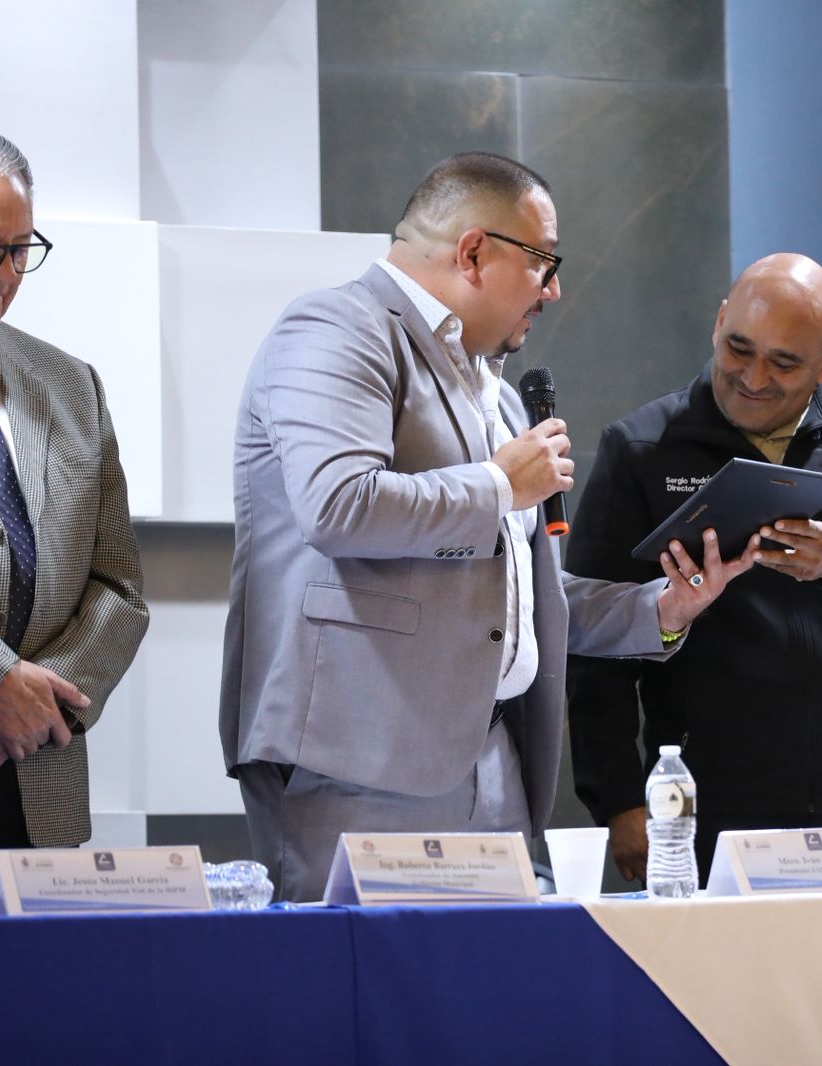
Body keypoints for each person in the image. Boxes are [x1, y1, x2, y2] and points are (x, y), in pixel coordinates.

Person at [220, 152, 749, 902]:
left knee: (492, 981)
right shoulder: (335, 327)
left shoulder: (494, 393)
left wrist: (660, 609)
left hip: (497, 763)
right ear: (473, 252)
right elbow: (337, 505)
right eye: (544, 262)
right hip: (359, 765)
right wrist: (501, 485)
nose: (554, 289)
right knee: (358, 979)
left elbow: (516, 595)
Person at [565, 253, 822, 890]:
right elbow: (593, 642)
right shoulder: (643, 446)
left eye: (784, 363)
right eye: (739, 348)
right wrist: (618, 801)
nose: (754, 378)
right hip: (708, 799)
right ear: (718, 323)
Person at [0, 123, 149, 913]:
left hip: (35, 788)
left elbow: (119, 587)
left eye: (22, 250)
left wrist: (27, 712)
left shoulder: (71, 385)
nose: (6, 275)